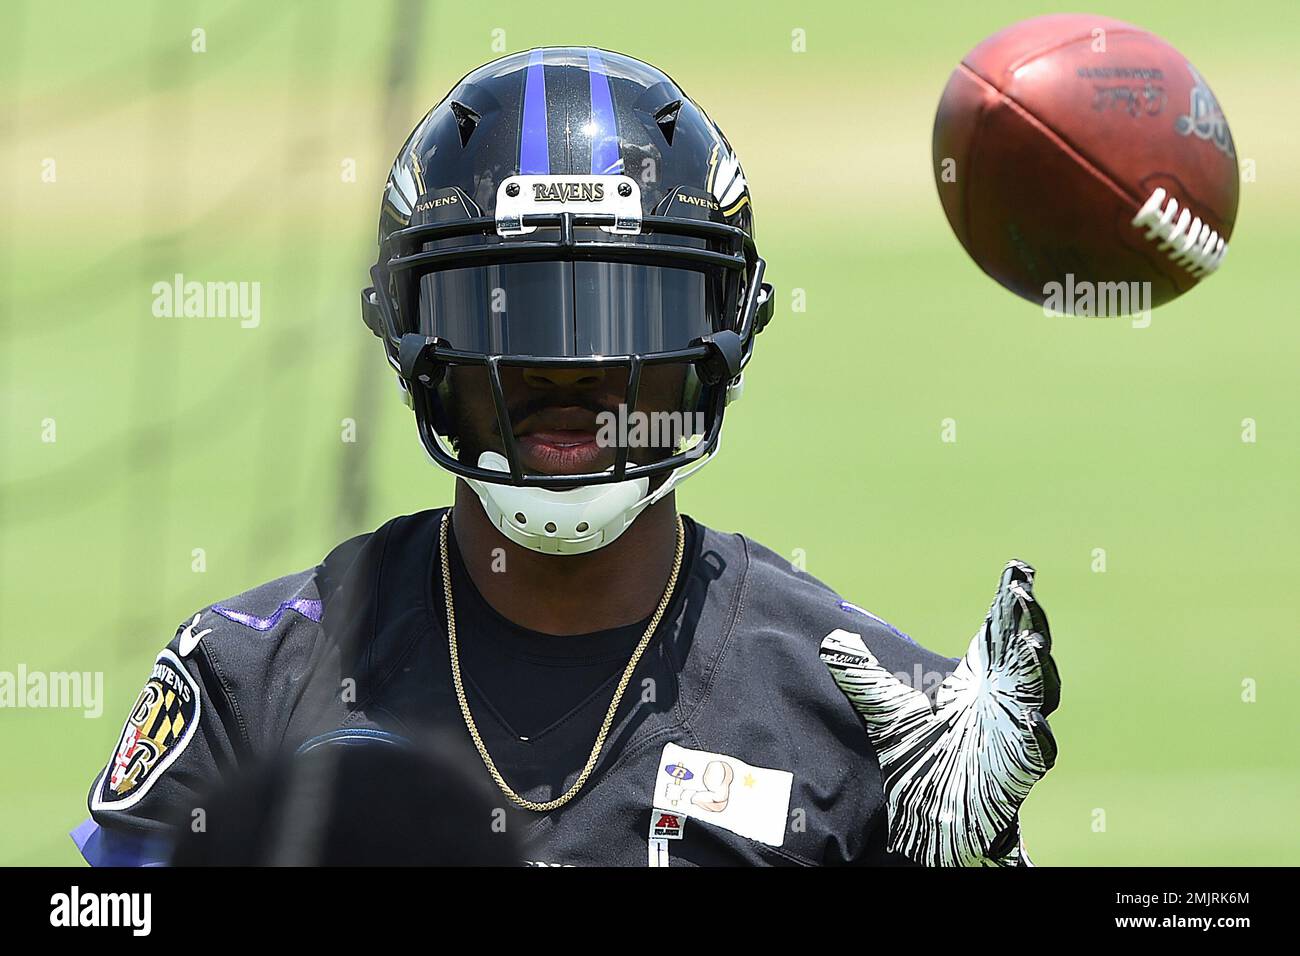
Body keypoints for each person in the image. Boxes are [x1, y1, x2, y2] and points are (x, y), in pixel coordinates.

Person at [76, 47, 1059, 867]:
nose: (565, 369)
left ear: (725, 331)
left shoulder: (878, 721)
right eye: (504, 310)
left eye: (627, 312)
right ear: (410, 332)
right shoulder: (254, 672)